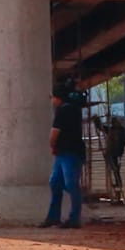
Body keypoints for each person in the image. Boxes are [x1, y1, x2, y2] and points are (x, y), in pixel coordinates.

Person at [41, 82, 86, 228]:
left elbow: (54, 133)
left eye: (53, 98)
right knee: (58, 183)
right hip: (70, 151)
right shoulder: (74, 109)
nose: (52, 101)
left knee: (68, 184)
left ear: (58, 98)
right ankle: (58, 217)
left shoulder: (63, 111)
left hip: (67, 152)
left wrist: (52, 146)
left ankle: (72, 219)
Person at [103, 117, 125, 201]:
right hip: (115, 153)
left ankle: (117, 193)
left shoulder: (115, 130)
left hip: (113, 153)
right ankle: (117, 192)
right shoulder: (117, 130)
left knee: (116, 171)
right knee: (116, 171)